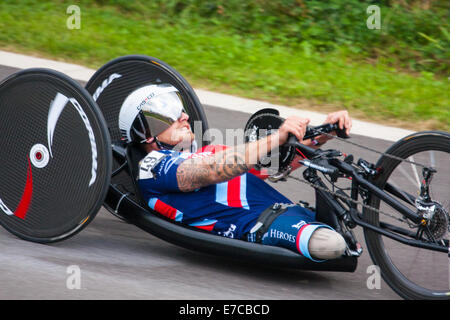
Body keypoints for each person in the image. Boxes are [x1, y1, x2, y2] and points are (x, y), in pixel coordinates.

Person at [118, 84, 352, 261]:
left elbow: (272, 167)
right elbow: (210, 172)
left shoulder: (209, 151)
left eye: (179, 108)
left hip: (294, 213)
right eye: (168, 113)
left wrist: (323, 135)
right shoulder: (152, 168)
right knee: (331, 244)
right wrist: (277, 137)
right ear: (146, 132)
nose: (184, 116)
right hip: (263, 225)